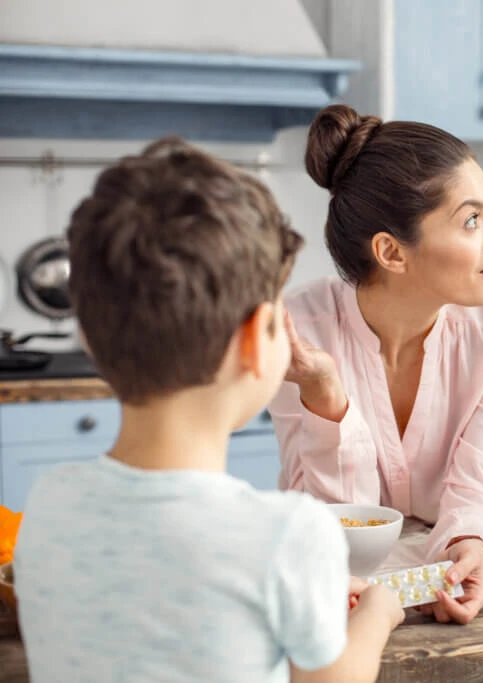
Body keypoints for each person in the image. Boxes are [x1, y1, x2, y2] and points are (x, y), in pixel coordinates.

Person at [15, 138, 404, 682]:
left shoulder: (49, 506)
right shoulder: (288, 534)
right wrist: (381, 612)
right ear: (254, 341)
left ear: (86, 332)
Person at [268, 104, 483, 625]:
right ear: (392, 252)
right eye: (472, 220)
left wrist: (472, 547)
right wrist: (325, 393)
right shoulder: (298, 331)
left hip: (436, 592)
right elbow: (339, 530)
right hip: (328, 605)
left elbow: (480, 477)